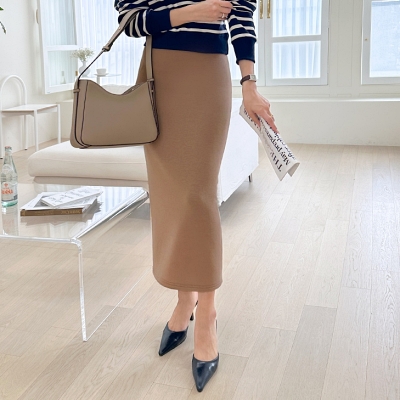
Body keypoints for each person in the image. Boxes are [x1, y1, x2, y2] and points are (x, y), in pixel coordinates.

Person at [114, 0, 278, 392]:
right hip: (159, 76)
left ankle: (207, 315)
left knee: (198, 195)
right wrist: (192, 12)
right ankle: (185, 300)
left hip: (208, 74)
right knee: (170, 196)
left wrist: (250, 84)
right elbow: (130, 21)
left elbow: (241, 15)